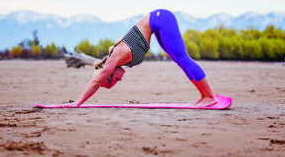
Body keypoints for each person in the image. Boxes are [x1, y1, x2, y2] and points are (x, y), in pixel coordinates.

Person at [62, 9, 217, 107]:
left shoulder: (114, 57)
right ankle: (204, 96)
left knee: (183, 59)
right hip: (158, 23)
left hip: (161, 18)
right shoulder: (116, 59)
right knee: (179, 61)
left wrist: (78, 102)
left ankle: (210, 96)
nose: (119, 80)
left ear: (108, 73)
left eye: (115, 80)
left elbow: (96, 81)